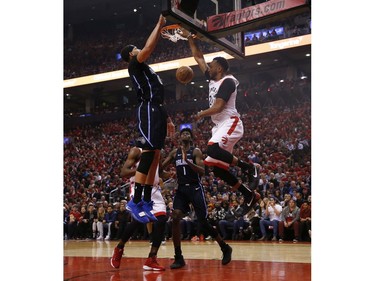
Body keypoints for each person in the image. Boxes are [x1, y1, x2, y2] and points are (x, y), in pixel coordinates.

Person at [182, 29, 261, 215]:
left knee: (212, 149)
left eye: (212, 65)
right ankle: (248, 194)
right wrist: (190, 39)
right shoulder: (212, 79)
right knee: (214, 167)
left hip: (230, 121)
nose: (208, 67)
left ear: (219, 68)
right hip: (219, 125)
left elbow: (218, 107)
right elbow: (198, 57)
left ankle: (250, 168)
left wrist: (201, 114)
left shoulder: (228, 81)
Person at [119, 15, 170, 224]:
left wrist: (168, 119)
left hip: (157, 108)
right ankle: (136, 200)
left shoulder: (146, 68)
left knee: (156, 155)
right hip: (147, 107)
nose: (141, 49)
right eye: (137, 48)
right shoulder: (135, 64)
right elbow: (149, 48)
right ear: (132, 53)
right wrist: (158, 25)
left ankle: (146, 200)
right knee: (148, 153)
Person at [161, 128, 232, 269]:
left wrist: (188, 162)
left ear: (191, 138)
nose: (185, 135)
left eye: (188, 133)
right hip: (181, 189)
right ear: (179, 138)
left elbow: (202, 171)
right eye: (183, 134)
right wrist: (167, 172)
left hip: (195, 188)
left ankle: (225, 247)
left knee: (203, 223)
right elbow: (160, 169)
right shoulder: (174, 153)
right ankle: (178, 257)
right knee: (175, 217)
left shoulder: (195, 151)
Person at [110, 146, 168, 271]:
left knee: (162, 220)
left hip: (154, 190)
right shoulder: (137, 151)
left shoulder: (158, 152)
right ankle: (119, 248)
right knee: (138, 219)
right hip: (139, 188)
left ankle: (151, 259)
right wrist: (142, 170)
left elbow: (160, 172)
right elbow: (124, 172)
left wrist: (170, 174)